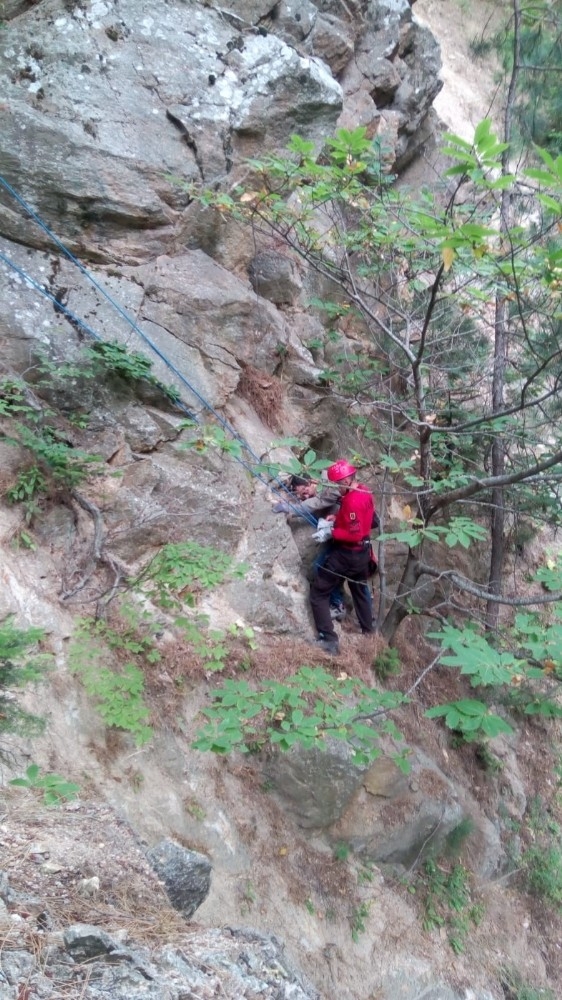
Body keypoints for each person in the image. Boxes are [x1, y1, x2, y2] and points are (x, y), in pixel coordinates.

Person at [309, 460, 377, 655]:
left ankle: (329, 639)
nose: (337, 488)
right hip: (363, 553)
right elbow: (362, 519)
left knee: (319, 592)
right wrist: (337, 519)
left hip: (347, 554)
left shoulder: (352, 500)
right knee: (358, 588)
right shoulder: (364, 491)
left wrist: (334, 532)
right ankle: (369, 630)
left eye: (338, 484)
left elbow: (353, 533)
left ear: (347, 480)